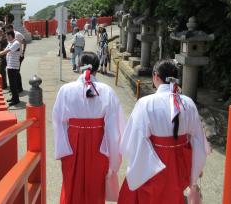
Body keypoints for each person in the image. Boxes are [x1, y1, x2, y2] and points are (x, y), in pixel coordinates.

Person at [118, 59, 210, 204]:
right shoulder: (188, 103)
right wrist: (195, 171)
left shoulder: (145, 103)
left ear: (155, 76)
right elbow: (198, 141)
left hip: (154, 163)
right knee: (174, 196)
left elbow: (133, 141)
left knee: (151, 197)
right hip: (179, 162)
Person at [53, 52, 125, 204]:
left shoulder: (65, 90)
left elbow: (58, 122)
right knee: (95, 186)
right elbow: (114, 130)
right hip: (99, 144)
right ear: (97, 69)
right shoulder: (107, 91)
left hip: (72, 142)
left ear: (79, 66)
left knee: (71, 183)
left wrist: (62, 149)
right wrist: (113, 161)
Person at [0, 31, 21, 105]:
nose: (7, 38)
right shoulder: (10, 43)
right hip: (10, 65)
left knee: (13, 84)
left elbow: (7, 51)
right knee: (12, 84)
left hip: (14, 66)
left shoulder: (16, 43)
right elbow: (4, 49)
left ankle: (16, 100)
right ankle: (13, 98)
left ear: (11, 36)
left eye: (8, 36)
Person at [5, 24, 26, 93]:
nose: (7, 32)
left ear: (11, 29)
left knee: (16, 73)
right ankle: (14, 88)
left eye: (7, 30)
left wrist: (23, 51)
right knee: (14, 74)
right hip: (11, 56)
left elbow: (24, 42)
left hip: (18, 55)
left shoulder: (17, 34)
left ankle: (19, 88)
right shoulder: (9, 35)